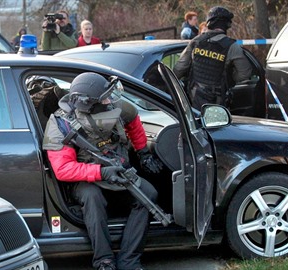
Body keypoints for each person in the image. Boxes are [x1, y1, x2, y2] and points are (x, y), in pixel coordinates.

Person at [43, 72, 162, 270]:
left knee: (148, 195)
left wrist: (143, 153)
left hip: (118, 169)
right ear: (89, 104)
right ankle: (104, 260)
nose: (110, 100)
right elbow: (63, 169)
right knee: (93, 197)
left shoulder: (114, 108)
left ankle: (129, 260)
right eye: (105, 97)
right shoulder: (61, 125)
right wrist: (102, 172)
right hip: (85, 179)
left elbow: (134, 122)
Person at [173, 6, 252, 110]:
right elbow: (245, 73)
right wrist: (229, 78)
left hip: (194, 98)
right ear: (227, 25)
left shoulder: (196, 41)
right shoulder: (231, 46)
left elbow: (179, 69)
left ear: (208, 22)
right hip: (217, 102)